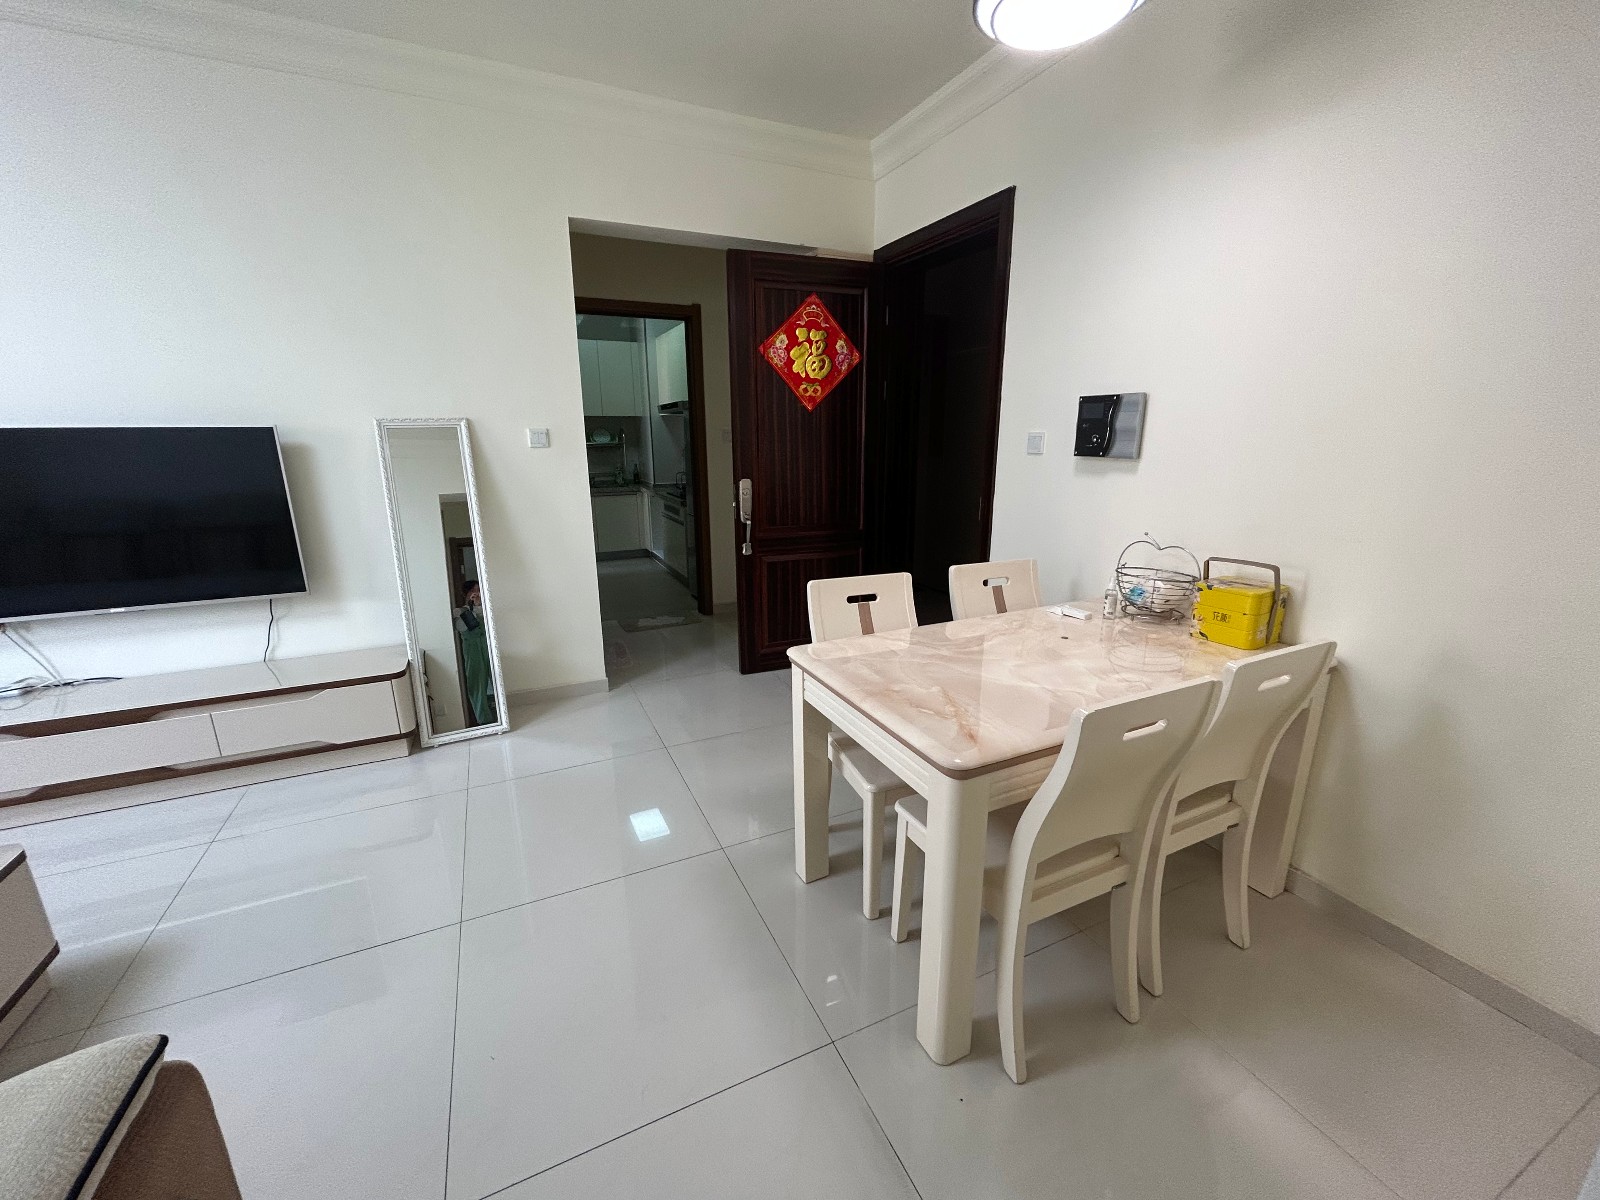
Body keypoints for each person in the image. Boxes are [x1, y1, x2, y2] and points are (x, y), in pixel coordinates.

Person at [454, 580, 496, 725]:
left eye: (478, 590)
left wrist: (479, 607)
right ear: (466, 593)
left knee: (497, 678)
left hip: (489, 645)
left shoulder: (487, 608)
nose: (476, 593)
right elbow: (462, 628)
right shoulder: (459, 611)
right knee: (476, 683)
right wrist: (471, 609)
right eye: (473, 590)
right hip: (472, 649)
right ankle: (484, 720)